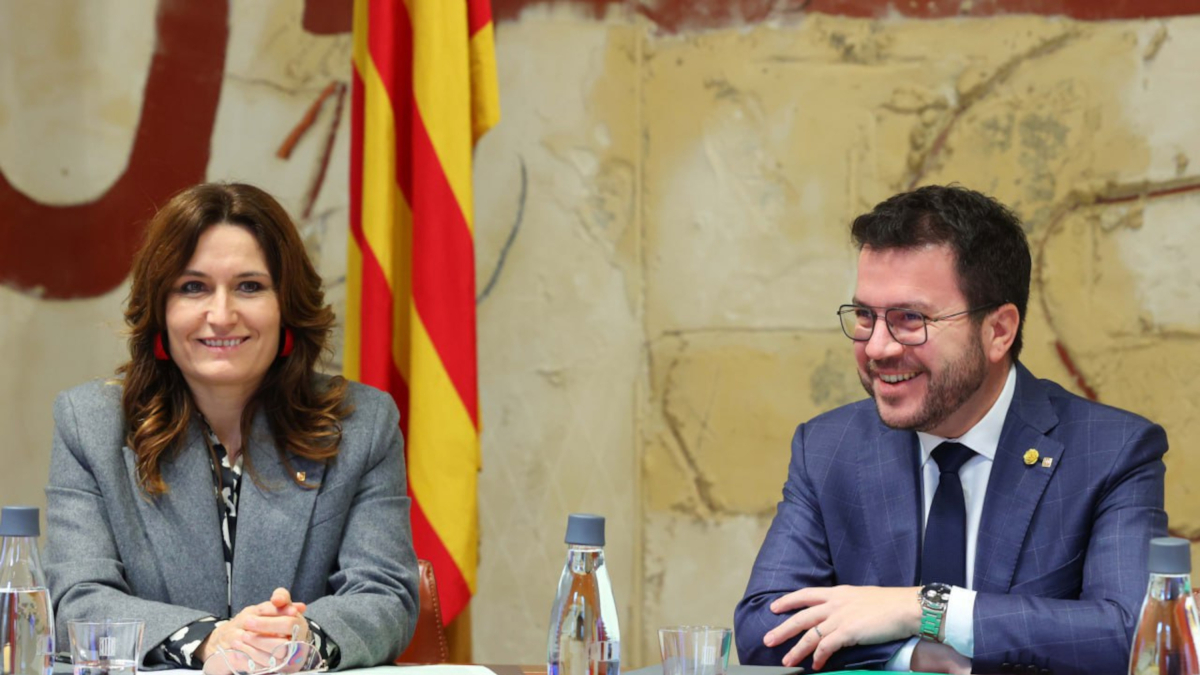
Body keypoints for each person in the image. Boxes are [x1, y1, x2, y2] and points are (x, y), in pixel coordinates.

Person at [734, 185, 1168, 675]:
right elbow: (761, 629)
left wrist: (925, 608)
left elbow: (1134, 636)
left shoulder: (1110, 451)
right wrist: (914, 656)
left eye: (909, 319)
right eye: (864, 317)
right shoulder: (829, 449)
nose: (877, 347)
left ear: (998, 331)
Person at [46, 182, 419, 671]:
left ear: (287, 305)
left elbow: (384, 592)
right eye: (193, 287)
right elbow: (78, 597)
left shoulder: (361, 423)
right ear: (160, 309)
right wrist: (208, 641)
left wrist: (302, 637)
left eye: (249, 286)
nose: (221, 316)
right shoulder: (90, 425)